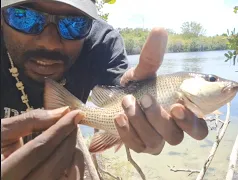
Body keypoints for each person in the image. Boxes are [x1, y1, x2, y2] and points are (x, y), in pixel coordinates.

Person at [1, 0, 209, 179]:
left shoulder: (101, 42)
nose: (50, 43)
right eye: (23, 17)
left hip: (65, 147)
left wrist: (140, 108)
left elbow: (119, 95)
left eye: (74, 24)